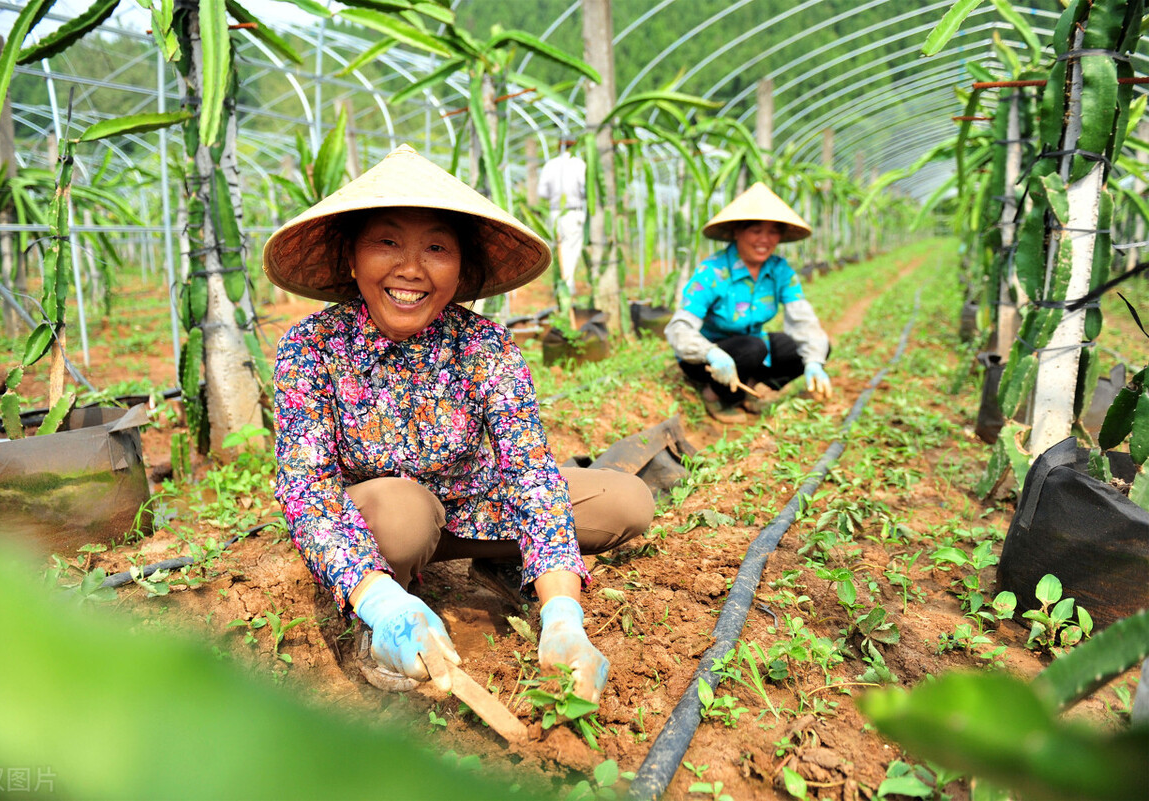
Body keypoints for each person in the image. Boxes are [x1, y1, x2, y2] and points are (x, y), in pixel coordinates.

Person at [263, 144, 655, 703]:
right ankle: (381, 609)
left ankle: (510, 568)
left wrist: (565, 616)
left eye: (437, 248)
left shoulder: (486, 345)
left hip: (477, 509)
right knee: (403, 517)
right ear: (352, 258)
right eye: (388, 241)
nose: (411, 269)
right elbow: (306, 483)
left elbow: (529, 472)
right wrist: (380, 602)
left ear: (461, 269)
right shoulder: (312, 346)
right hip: (385, 528)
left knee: (626, 502)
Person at [665, 182, 832, 423]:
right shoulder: (712, 272)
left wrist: (815, 361)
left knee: (810, 347)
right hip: (708, 357)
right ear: (737, 232)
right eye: (755, 230)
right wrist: (710, 353)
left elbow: (802, 317)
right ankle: (715, 395)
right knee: (753, 348)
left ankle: (747, 387)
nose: (764, 239)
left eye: (773, 231)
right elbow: (679, 327)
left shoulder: (779, 271)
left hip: (752, 348)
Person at [536, 143, 588, 296]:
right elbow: (585, 189)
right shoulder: (579, 164)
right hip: (573, 212)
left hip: (555, 212)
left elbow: (542, 192)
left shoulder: (550, 165)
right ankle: (567, 287)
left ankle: (562, 286)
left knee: (560, 250)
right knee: (572, 250)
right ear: (573, 147)